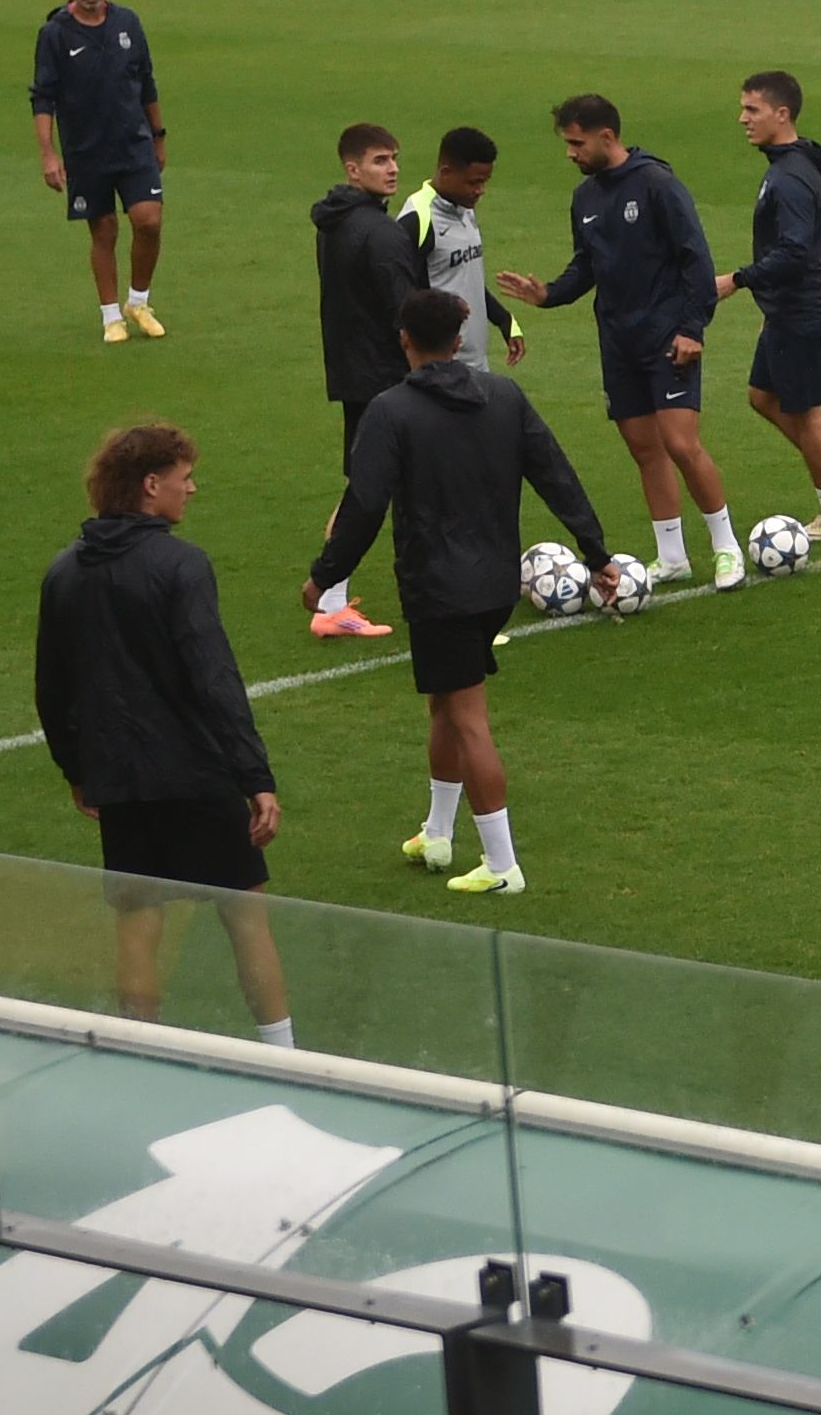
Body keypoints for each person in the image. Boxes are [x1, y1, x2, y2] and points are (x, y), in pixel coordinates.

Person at [308, 287, 617, 899]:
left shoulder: (390, 412)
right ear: (458, 339)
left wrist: (325, 578)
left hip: (437, 588)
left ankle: (502, 864)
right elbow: (555, 473)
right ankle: (438, 832)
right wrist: (596, 553)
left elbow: (365, 504)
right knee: (445, 705)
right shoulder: (503, 395)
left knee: (468, 717)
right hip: (495, 583)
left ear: (404, 340)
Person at [34, 418, 291, 1045]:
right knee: (246, 915)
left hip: (119, 780)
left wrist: (79, 771)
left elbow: (52, 689)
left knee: (137, 926)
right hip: (196, 774)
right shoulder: (182, 565)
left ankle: (139, 1057)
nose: (192, 490)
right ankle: (285, 1058)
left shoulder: (64, 573)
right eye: (184, 479)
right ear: (151, 485)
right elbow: (215, 678)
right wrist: (255, 777)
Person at [495, 94, 742, 592]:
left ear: (606, 136)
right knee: (643, 448)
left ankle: (726, 547)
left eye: (576, 142)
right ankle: (672, 556)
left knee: (680, 443)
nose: (570, 153)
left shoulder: (657, 185)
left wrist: (693, 329)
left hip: (667, 336)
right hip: (618, 341)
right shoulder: (585, 197)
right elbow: (587, 265)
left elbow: (695, 259)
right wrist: (547, 295)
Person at [718, 72, 821, 544]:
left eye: (752, 110)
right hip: (789, 306)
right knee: (763, 397)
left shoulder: (791, 176)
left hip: (802, 308)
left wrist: (737, 280)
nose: (743, 118)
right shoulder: (790, 163)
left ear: (782, 114)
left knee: (807, 412)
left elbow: (796, 250)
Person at [304, 123, 416, 642]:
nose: (392, 168)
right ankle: (329, 591)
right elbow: (406, 312)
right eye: (378, 160)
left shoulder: (335, 222)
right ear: (352, 169)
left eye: (393, 158)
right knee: (386, 492)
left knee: (365, 487)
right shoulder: (380, 233)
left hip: (352, 372)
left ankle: (330, 596)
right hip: (387, 377)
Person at [27, 0, 167, 345]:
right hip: (87, 150)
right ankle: (111, 317)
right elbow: (43, 97)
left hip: (134, 143)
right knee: (103, 230)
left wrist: (158, 135)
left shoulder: (127, 22)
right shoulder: (55, 34)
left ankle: (139, 302)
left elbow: (147, 82)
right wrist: (48, 153)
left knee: (149, 220)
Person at [400, 126, 522, 373]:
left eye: (484, 182)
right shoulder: (418, 221)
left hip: (475, 361)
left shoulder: (464, 208)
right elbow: (407, 297)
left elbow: (466, 278)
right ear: (446, 172)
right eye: (474, 183)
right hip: (441, 365)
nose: (480, 190)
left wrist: (504, 320)